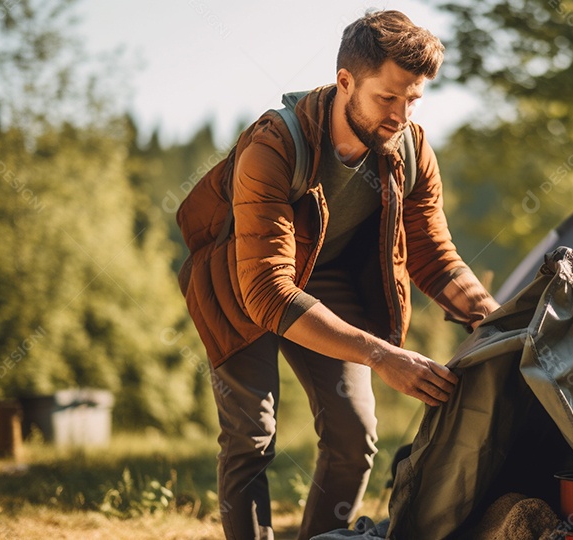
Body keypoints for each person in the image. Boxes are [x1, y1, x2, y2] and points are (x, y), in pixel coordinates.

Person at [176, 10, 499, 540]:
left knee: (355, 437)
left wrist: (490, 315)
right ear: (345, 81)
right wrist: (380, 353)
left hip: (324, 280)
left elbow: (434, 254)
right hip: (242, 278)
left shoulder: (411, 149)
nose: (401, 114)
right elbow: (269, 292)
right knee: (251, 437)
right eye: (387, 98)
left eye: (413, 99)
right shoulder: (274, 147)